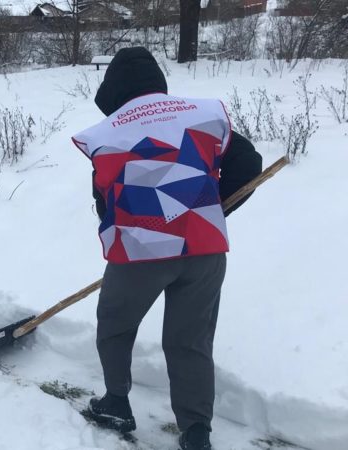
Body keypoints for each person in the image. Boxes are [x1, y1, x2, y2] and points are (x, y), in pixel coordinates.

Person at [71, 47, 262, 450]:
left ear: (113, 90)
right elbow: (248, 164)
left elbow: (105, 202)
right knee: (189, 339)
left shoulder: (106, 134)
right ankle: (196, 431)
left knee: (116, 325)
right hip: (205, 249)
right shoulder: (203, 114)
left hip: (140, 250)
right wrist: (208, 206)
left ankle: (116, 403)